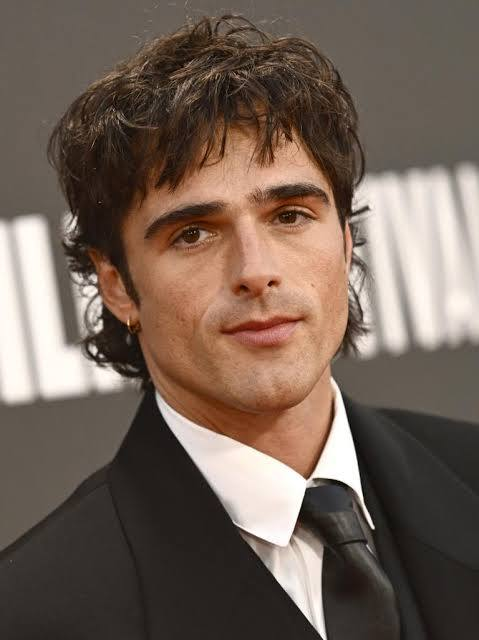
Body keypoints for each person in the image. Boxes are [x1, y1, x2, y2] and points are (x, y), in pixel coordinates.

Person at [1, 14, 478, 640]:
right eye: (193, 234)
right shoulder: (34, 612)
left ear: (344, 240)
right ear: (116, 283)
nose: (256, 272)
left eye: (290, 215)